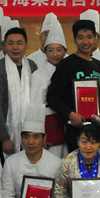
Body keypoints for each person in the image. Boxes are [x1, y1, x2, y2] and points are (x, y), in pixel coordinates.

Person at [47, 19, 100, 153]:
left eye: (89, 37)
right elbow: (52, 97)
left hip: (97, 130)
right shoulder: (66, 65)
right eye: (80, 37)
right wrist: (70, 114)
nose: (85, 42)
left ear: (96, 38)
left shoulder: (99, 66)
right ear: (74, 40)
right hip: (75, 131)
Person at [0, 27, 38, 157]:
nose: (15, 47)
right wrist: (4, 138)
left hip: (31, 134)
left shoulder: (32, 66)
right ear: (4, 46)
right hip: (6, 136)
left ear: (26, 45)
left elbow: (38, 101)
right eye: (11, 43)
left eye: (19, 43)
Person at [30, 17, 68, 158]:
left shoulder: (69, 71)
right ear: (45, 52)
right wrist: (39, 133)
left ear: (65, 51)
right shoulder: (38, 75)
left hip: (68, 123)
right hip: (49, 126)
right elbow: (35, 106)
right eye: (51, 50)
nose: (55, 54)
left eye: (59, 50)